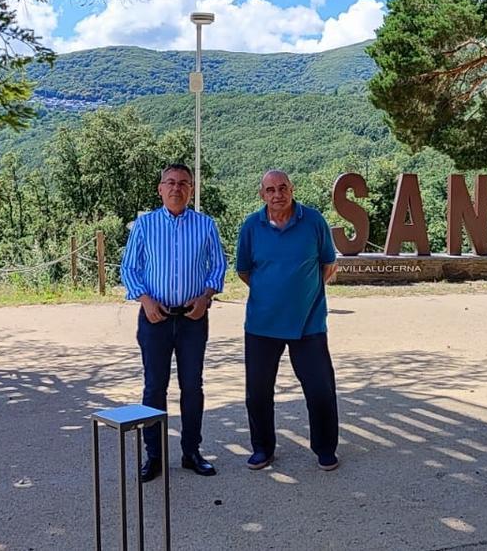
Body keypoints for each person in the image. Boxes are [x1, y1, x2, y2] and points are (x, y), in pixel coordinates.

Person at [121, 163, 227, 482]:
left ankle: (191, 451)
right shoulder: (145, 225)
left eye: (183, 183)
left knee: (192, 386)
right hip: (155, 318)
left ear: (191, 189)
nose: (176, 188)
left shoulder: (206, 225)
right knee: (154, 387)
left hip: (193, 318)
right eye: (170, 182)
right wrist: (145, 299)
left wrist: (206, 297)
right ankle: (154, 455)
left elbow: (218, 266)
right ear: (160, 189)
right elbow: (129, 268)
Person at [235, 169, 340, 471]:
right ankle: (262, 448)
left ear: (292, 189)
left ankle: (325, 449)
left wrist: (303, 294)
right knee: (258, 392)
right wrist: (272, 293)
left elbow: (328, 265)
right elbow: (244, 271)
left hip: (308, 323)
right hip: (262, 324)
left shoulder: (314, 221)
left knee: (320, 389)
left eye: (283, 188)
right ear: (262, 195)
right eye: (270, 190)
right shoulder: (251, 226)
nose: (277, 194)